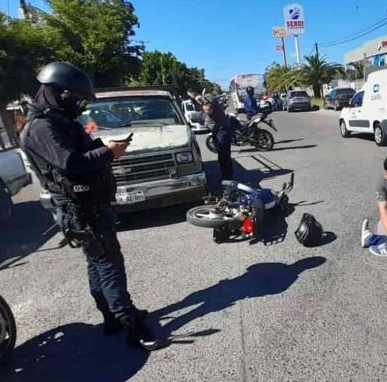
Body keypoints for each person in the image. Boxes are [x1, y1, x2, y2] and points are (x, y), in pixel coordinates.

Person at [20, 61, 166, 351]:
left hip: (87, 206)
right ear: (61, 94)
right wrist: (109, 153)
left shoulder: (55, 121)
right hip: (81, 210)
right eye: (78, 99)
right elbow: (70, 164)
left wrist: (103, 147)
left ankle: (111, 318)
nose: (80, 106)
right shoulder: (42, 127)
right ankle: (132, 327)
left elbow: (76, 153)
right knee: (109, 265)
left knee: (98, 264)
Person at [202, 97, 234, 182]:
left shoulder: (212, 103)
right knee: (221, 157)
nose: (207, 112)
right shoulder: (210, 104)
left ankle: (227, 178)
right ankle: (225, 177)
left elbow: (209, 106)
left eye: (208, 111)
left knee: (225, 156)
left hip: (222, 132)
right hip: (217, 132)